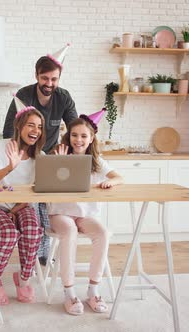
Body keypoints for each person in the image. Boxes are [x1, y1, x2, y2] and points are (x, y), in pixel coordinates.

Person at [3, 44, 78, 265]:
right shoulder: (24, 95)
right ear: (36, 76)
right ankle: (31, 253)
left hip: (50, 159)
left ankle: (43, 255)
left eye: (54, 79)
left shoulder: (64, 98)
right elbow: (9, 131)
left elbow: (74, 130)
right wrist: (22, 156)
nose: (49, 84)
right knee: (29, 205)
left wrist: (60, 151)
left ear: (59, 78)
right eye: (45, 78)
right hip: (26, 157)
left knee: (47, 207)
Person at [48, 109, 124, 315]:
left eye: (83, 136)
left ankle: (93, 290)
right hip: (61, 213)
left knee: (102, 233)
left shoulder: (96, 162)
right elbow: (47, 181)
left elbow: (119, 177)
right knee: (69, 231)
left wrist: (110, 181)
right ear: (68, 136)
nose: (78, 140)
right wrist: (59, 162)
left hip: (85, 214)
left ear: (91, 138)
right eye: (74, 135)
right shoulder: (59, 152)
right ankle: (69, 292)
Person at [0, 100, 46, 305]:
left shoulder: (39, 156)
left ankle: (23, 279)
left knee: (34, 230)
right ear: (19, 126)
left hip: (21, 206)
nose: (36, 130)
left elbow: (35, 193)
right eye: (31, 125)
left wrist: (16, 209)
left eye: (40, 127)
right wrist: (9, 167)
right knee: (8, 232)